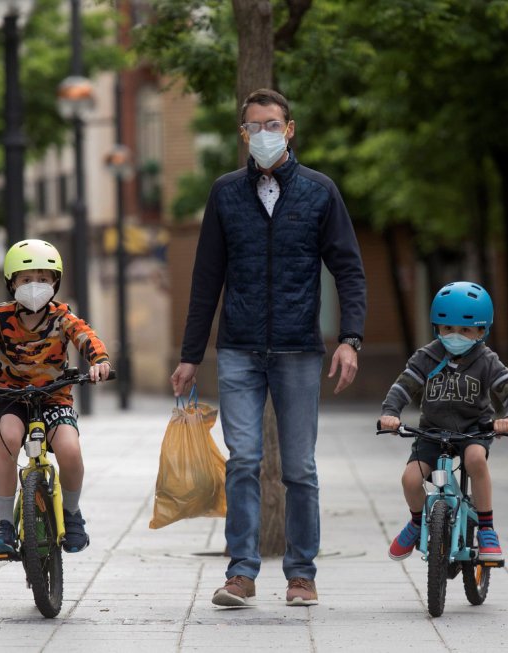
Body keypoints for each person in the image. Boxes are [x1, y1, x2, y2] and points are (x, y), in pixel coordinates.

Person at [170, 88, 367, 608]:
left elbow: (348, 269)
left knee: (299, 467)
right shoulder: (225, 193)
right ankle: (241, 573)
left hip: (301, 350)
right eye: (254, 126)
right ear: (243, 134)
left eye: (272, 124)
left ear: (290, 129)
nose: (263, 134)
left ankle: (301, 575)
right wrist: (191, 355)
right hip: (238, 350)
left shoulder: (320, 192)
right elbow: (206, 276)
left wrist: (350, 339)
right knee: (243, 461)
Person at [0, 239, 111, 559]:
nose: (34, 286)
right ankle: (3, 526)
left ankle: (71, 514)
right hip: (10, 396)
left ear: (56, 282)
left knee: (69, 449)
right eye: (26, 280)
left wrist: (99, 362)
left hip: (54, 397)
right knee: (8, 439)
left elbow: (86, 337)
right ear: (11, 283)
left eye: (43, 278)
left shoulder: (62, 315)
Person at [378, 281, 508, 563]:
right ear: (438, 327)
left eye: (465, 330)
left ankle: (486, 528)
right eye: (448, 329)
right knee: (410, 479)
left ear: (482, 331)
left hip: (474, 431)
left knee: (475, 460)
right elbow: (403, 387)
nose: (455, 335)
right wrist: (391, 413)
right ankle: (416, 521)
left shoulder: (486, 360)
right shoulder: (427, 357)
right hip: (432, 433)